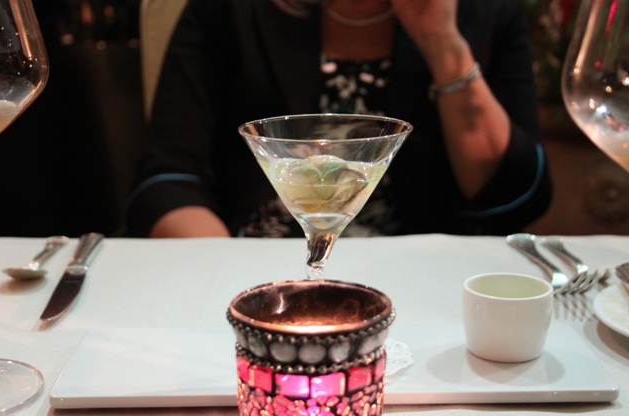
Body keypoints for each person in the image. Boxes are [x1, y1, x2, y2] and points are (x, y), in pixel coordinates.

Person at [126, 0, 552, 238]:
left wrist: (440, 42)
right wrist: (232, 278)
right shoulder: (228, 11)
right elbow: (168, 180)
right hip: (256, 265)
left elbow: (515, 197)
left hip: (423, 282)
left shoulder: (486, 12)